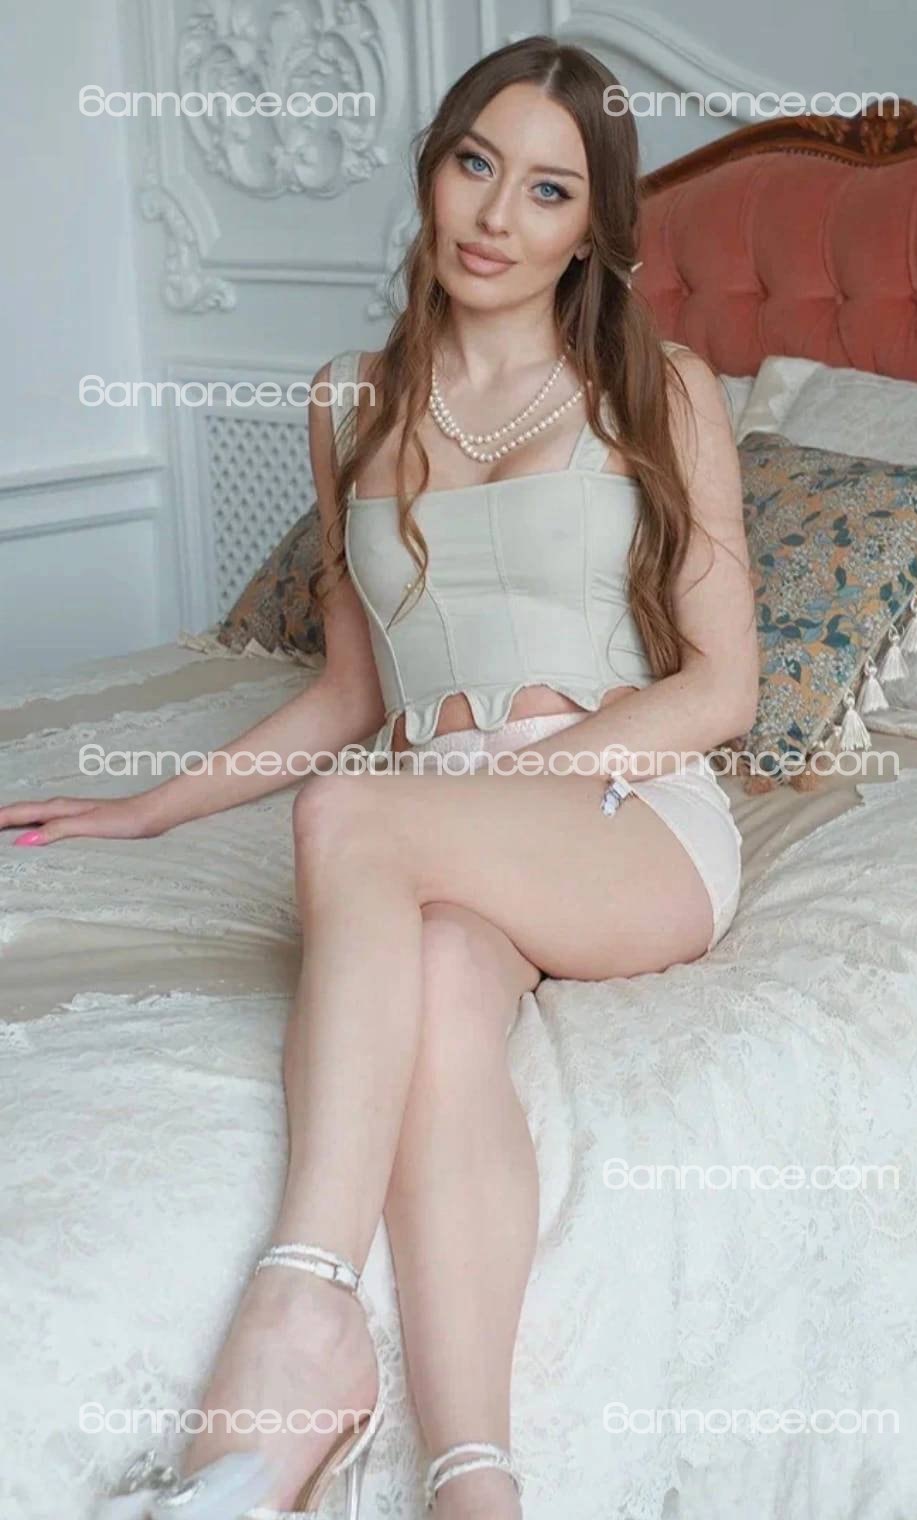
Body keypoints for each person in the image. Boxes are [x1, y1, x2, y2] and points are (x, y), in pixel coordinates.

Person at [5, 33, 758, 1520]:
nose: (496, 215)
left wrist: (514, 785)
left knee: (355, 814)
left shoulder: (659, 388)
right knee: (436, 987)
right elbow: (352, 697)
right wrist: (148, 806)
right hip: (434, 831)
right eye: (476, 163)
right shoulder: (348, 402)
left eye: (547, 190)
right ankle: (475, 1478)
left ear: (591, 229)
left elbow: (720, 688)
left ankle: (300, 1305)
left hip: (622, 813)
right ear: (432, 167)